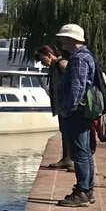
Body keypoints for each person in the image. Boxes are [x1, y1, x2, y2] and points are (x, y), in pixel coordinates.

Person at [53, 23, 96, 207]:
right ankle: (87, 189)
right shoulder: (86, 56)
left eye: (63, 37)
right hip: (82, 111)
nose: (61, 41)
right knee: (84, 152)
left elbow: (77, 87)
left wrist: (68, 108)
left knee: (79, 153)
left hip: (77, 113)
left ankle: (82, 191)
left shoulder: (78, 59)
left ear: (71, 39)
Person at [37, 43, 71, 171]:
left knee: (69, 132)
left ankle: (72, 160)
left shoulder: (62, 64)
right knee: (64, 131)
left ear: (49, 55)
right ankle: (66, 158)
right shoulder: (54, 66)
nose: (42, 63)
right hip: (61, 104)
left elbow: (74, 81)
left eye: (42, 59)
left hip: (66, 104)